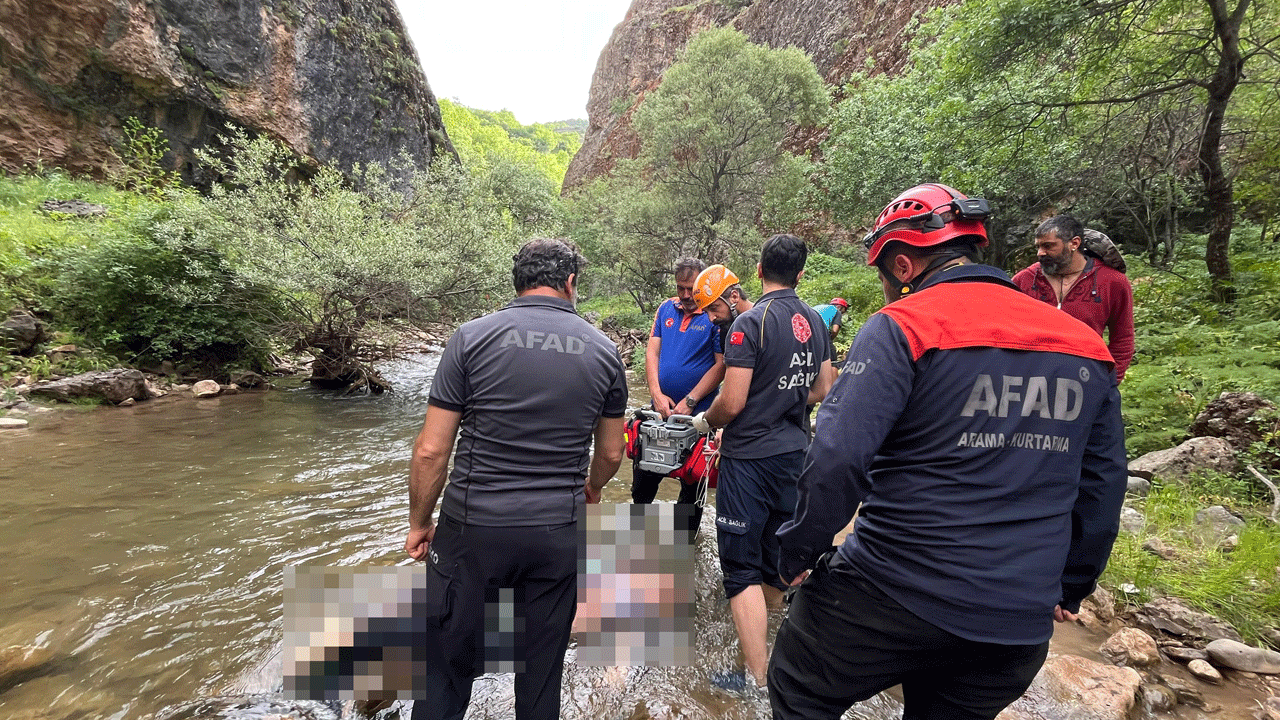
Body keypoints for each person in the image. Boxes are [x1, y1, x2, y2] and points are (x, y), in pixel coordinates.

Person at [768, 184, 1127, 720]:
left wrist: (798, 553)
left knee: (799, 692)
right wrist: (1071, 586)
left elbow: (837, 458)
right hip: (1014, 625)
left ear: (903, 265)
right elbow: (1102, 487)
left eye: (884, 276)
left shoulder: (904, 325)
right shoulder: (1085, 345)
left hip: (888, 590)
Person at [405, 238, 628, 720]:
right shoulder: (605, 351)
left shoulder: (470, 338)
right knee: (540, 677)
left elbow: (431, 450)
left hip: (472, 530)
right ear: (570, 282)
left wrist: (419, 522)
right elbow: (612, 452)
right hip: (557, 533)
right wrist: (591, 488)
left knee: (445, 671)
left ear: (518, 281)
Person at [689, 234, 834, 693]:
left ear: (757, 271)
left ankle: (754, 677)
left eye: (713, 307)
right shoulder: (816, 320)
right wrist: (782, 400)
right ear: (801, 274)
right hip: (796, 454)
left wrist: (705, 421)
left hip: (750, 458)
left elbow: (731, 402)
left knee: (740, 569)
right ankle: (767, 653)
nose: (713, 315)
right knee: (774, 559)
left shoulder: (750, 324)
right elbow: (822, 390)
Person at [633, 257, 725, 531]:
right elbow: (652, 352)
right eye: (680, 287)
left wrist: (691, 400)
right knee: (643, 479)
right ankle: (636, 537)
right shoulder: (666, 309)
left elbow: (721, 364)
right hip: (659, 413)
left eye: (691, 289)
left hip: (700, 417)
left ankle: (684, 544)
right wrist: (656, 393)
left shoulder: (715, 314)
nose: (685, 295)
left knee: (693, 487)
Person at [1013, 215, 1135, 382]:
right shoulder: (1024, 280)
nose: (1040, 253)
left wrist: (1110, 381)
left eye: (1048, 246)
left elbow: (1123, 339)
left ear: (1074, 243)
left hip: (1085, 379)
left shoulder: (1112, 282)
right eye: (1038, 246)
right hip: (1030, 380)